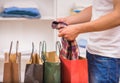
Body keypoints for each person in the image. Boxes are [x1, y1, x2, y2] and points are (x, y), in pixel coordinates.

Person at [56, 0, 120, 83]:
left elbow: (118, 16)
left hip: (107, 56)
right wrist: (68, 20)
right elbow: (99, 7)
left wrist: (77, 29)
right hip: (94, 51)